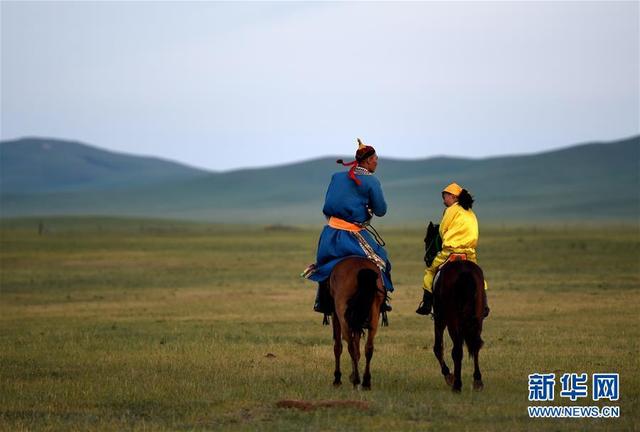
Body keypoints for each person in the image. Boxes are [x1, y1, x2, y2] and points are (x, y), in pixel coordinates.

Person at [302, 139, 393, 314]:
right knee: (381, 261)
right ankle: (381, 301)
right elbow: (381, 210)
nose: (377, 162)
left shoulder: (336, 177)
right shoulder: (371, 181)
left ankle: (321, 301)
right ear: (367, 161)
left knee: (324, 265)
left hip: (330, 235)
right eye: (375, 159)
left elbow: (328, 205)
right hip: (353, 236)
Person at [416, 182, 489, 317]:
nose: (444, 200)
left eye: (445, 197)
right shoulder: (470, 212)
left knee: (430, 272)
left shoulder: (451, 210)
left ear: (454, 197)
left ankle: (426, 304)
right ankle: (484, 304)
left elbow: (443, 230)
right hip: (469, 253)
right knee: (479, 276)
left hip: (450, 252)